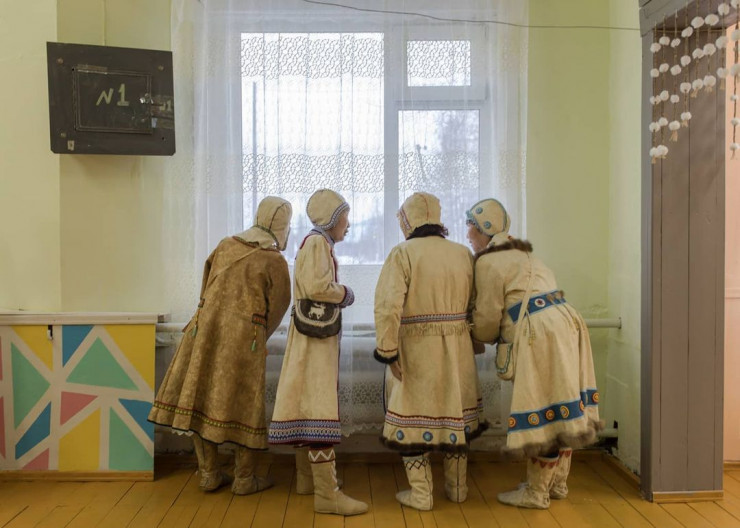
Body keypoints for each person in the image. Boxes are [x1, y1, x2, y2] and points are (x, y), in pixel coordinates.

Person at [149, 196, 293, 494]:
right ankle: (244, 478)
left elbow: (205, 288)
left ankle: (208, 473)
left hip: (205, 332)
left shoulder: (226, 245)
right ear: (284, 225)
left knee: (201, 395)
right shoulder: (273, 260)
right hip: (244, 340)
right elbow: (279, 305)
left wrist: (210, 318)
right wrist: (261, 335)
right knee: (244, 401)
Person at [466, 198, 601, 510]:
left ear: (484, 228)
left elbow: (487, 318)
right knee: (563, 405)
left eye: (470, 227)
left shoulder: (488, 261)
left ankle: (537, 492)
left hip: (539, 332)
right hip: (565, 322)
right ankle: (557, 483)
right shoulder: (523, 252)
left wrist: (473, 334)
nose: (468, 234)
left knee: (545, 408)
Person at [374, 192, 485, 511]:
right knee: (455, 416)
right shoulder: (462, 253)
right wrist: (475, 341)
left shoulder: (403, 253)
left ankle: (422, 494)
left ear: (407, 220)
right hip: (457, 347)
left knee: (412, 418)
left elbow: (388, 306)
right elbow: (475, 303)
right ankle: (457, 487)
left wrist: (388, 351)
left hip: (417, 348)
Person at [268, 189, 368, 516]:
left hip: (310, 338)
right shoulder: (317, 244)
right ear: (332, 219)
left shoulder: (315, 243)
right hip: (315, 342)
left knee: (307, 402)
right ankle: (327, 494)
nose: (348, 224)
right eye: (345, 218)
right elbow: (317, 287)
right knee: (318, 403)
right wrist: (346, 293)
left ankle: (306, 480)